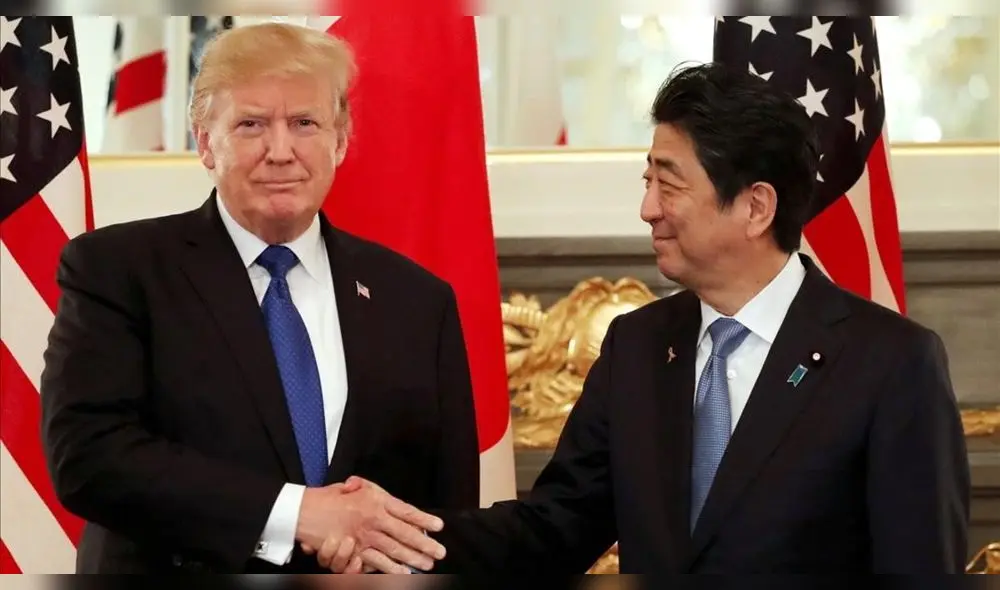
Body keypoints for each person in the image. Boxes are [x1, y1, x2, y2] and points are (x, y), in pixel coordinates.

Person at [333, 62, 971, 574]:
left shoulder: (889, 363)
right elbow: (553, 529)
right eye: (648, 181)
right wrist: (392, 535)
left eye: (669, 185)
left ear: (755, 207)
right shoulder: (637, 346)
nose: (647, 209)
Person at [39, 22, 478, 574]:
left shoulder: (418, 300)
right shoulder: (118, 270)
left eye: (304, 123)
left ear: (341, 140)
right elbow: (88, 456)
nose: (280, 151)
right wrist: (296, 514)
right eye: (251, 124)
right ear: (205, 143)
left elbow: (445, 515)